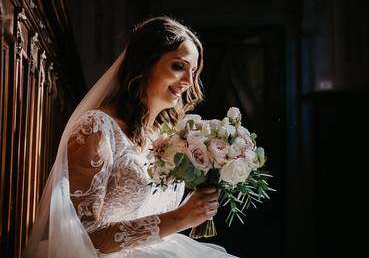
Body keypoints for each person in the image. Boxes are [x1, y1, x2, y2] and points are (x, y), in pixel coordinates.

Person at [24, 16, 237, 257]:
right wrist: (179, 218)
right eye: (178, 66)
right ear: (145, 64)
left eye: (194, 71)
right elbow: (80, 234)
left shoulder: (170, 137)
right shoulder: (97, 128)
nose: (188, 81)